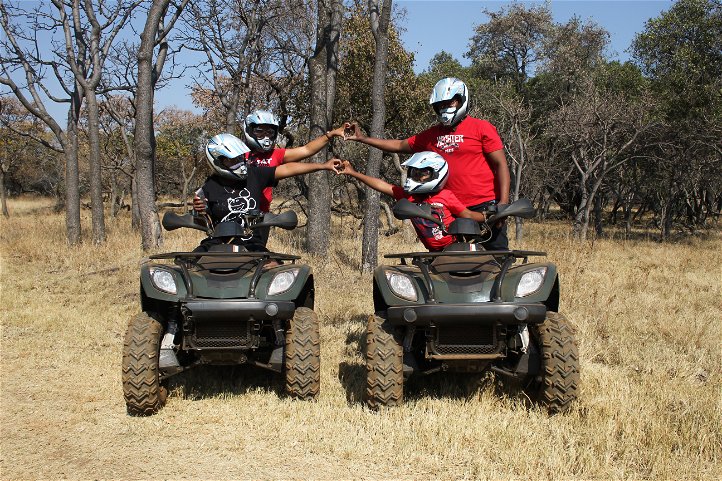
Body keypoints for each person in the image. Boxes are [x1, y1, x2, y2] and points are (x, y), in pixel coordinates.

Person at [344, 77, 511, 250]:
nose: (444, 108)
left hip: (484, 205)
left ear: (461, 100)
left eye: (450, 102)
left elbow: (501, 165)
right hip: (447, 208)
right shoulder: (430, 135)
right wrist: (362, 138)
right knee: (450, 262)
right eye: (440, 105)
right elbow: (399, 145)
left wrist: (502, 205)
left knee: (495, 258)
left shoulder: (482, 128)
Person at [193, 132, 340, 252]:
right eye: (232, 160)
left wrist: (323, 166)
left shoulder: (254, 175)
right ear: (218, 162)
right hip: (215, 244)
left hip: (251, 244)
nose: (239, 162)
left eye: (240, 157)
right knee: (186, 266)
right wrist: (200, 211)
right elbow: (205, 221)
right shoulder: (208, 187)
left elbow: (287, 169)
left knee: (275, 271)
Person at [336, 151, 486, 252]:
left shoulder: (445, 195)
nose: (417, 177)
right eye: (414, 173)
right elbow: (382, 186)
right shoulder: (409, 197)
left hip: (455, 249)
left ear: (436, 173)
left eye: (422, 173)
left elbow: (468, 215)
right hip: (433, 253)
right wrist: (353, 173)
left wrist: (486, 216)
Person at [243, 110, 346, 244]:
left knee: (257, 254)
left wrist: (331, 134)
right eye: (259, 131)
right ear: (250, 131)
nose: (265, 137)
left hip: (261, 216)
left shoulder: (276, 154)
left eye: (269, 132)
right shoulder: (237, 154)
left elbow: (307, 150)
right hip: (235, 212)